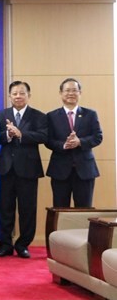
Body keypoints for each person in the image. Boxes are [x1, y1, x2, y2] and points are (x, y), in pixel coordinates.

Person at [0, 81, 47, 259]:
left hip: (28, 169)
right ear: (9, 96)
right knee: (5, 208)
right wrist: (8, 134)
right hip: (7, 168)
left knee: (27, 209)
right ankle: (5, 244)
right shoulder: (1, 115)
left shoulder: (38, 116)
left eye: (22, 93)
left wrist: (21, 133)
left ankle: (23, 244)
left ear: (28, 95)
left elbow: (43, 136)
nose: (18, 96)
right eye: (14, 93)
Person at [46, 78, 102, 207]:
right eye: (67, 90)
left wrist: (80, 142)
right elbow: (48, 140)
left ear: (80, 93)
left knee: (84, 210)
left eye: (74, 90)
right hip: (60, 170)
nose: (71, 93)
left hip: (85, 170)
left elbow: (98, 137)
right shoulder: (51, 116)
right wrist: (63, 145)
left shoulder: (90, 114)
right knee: (60, 210)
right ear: (60, 93)